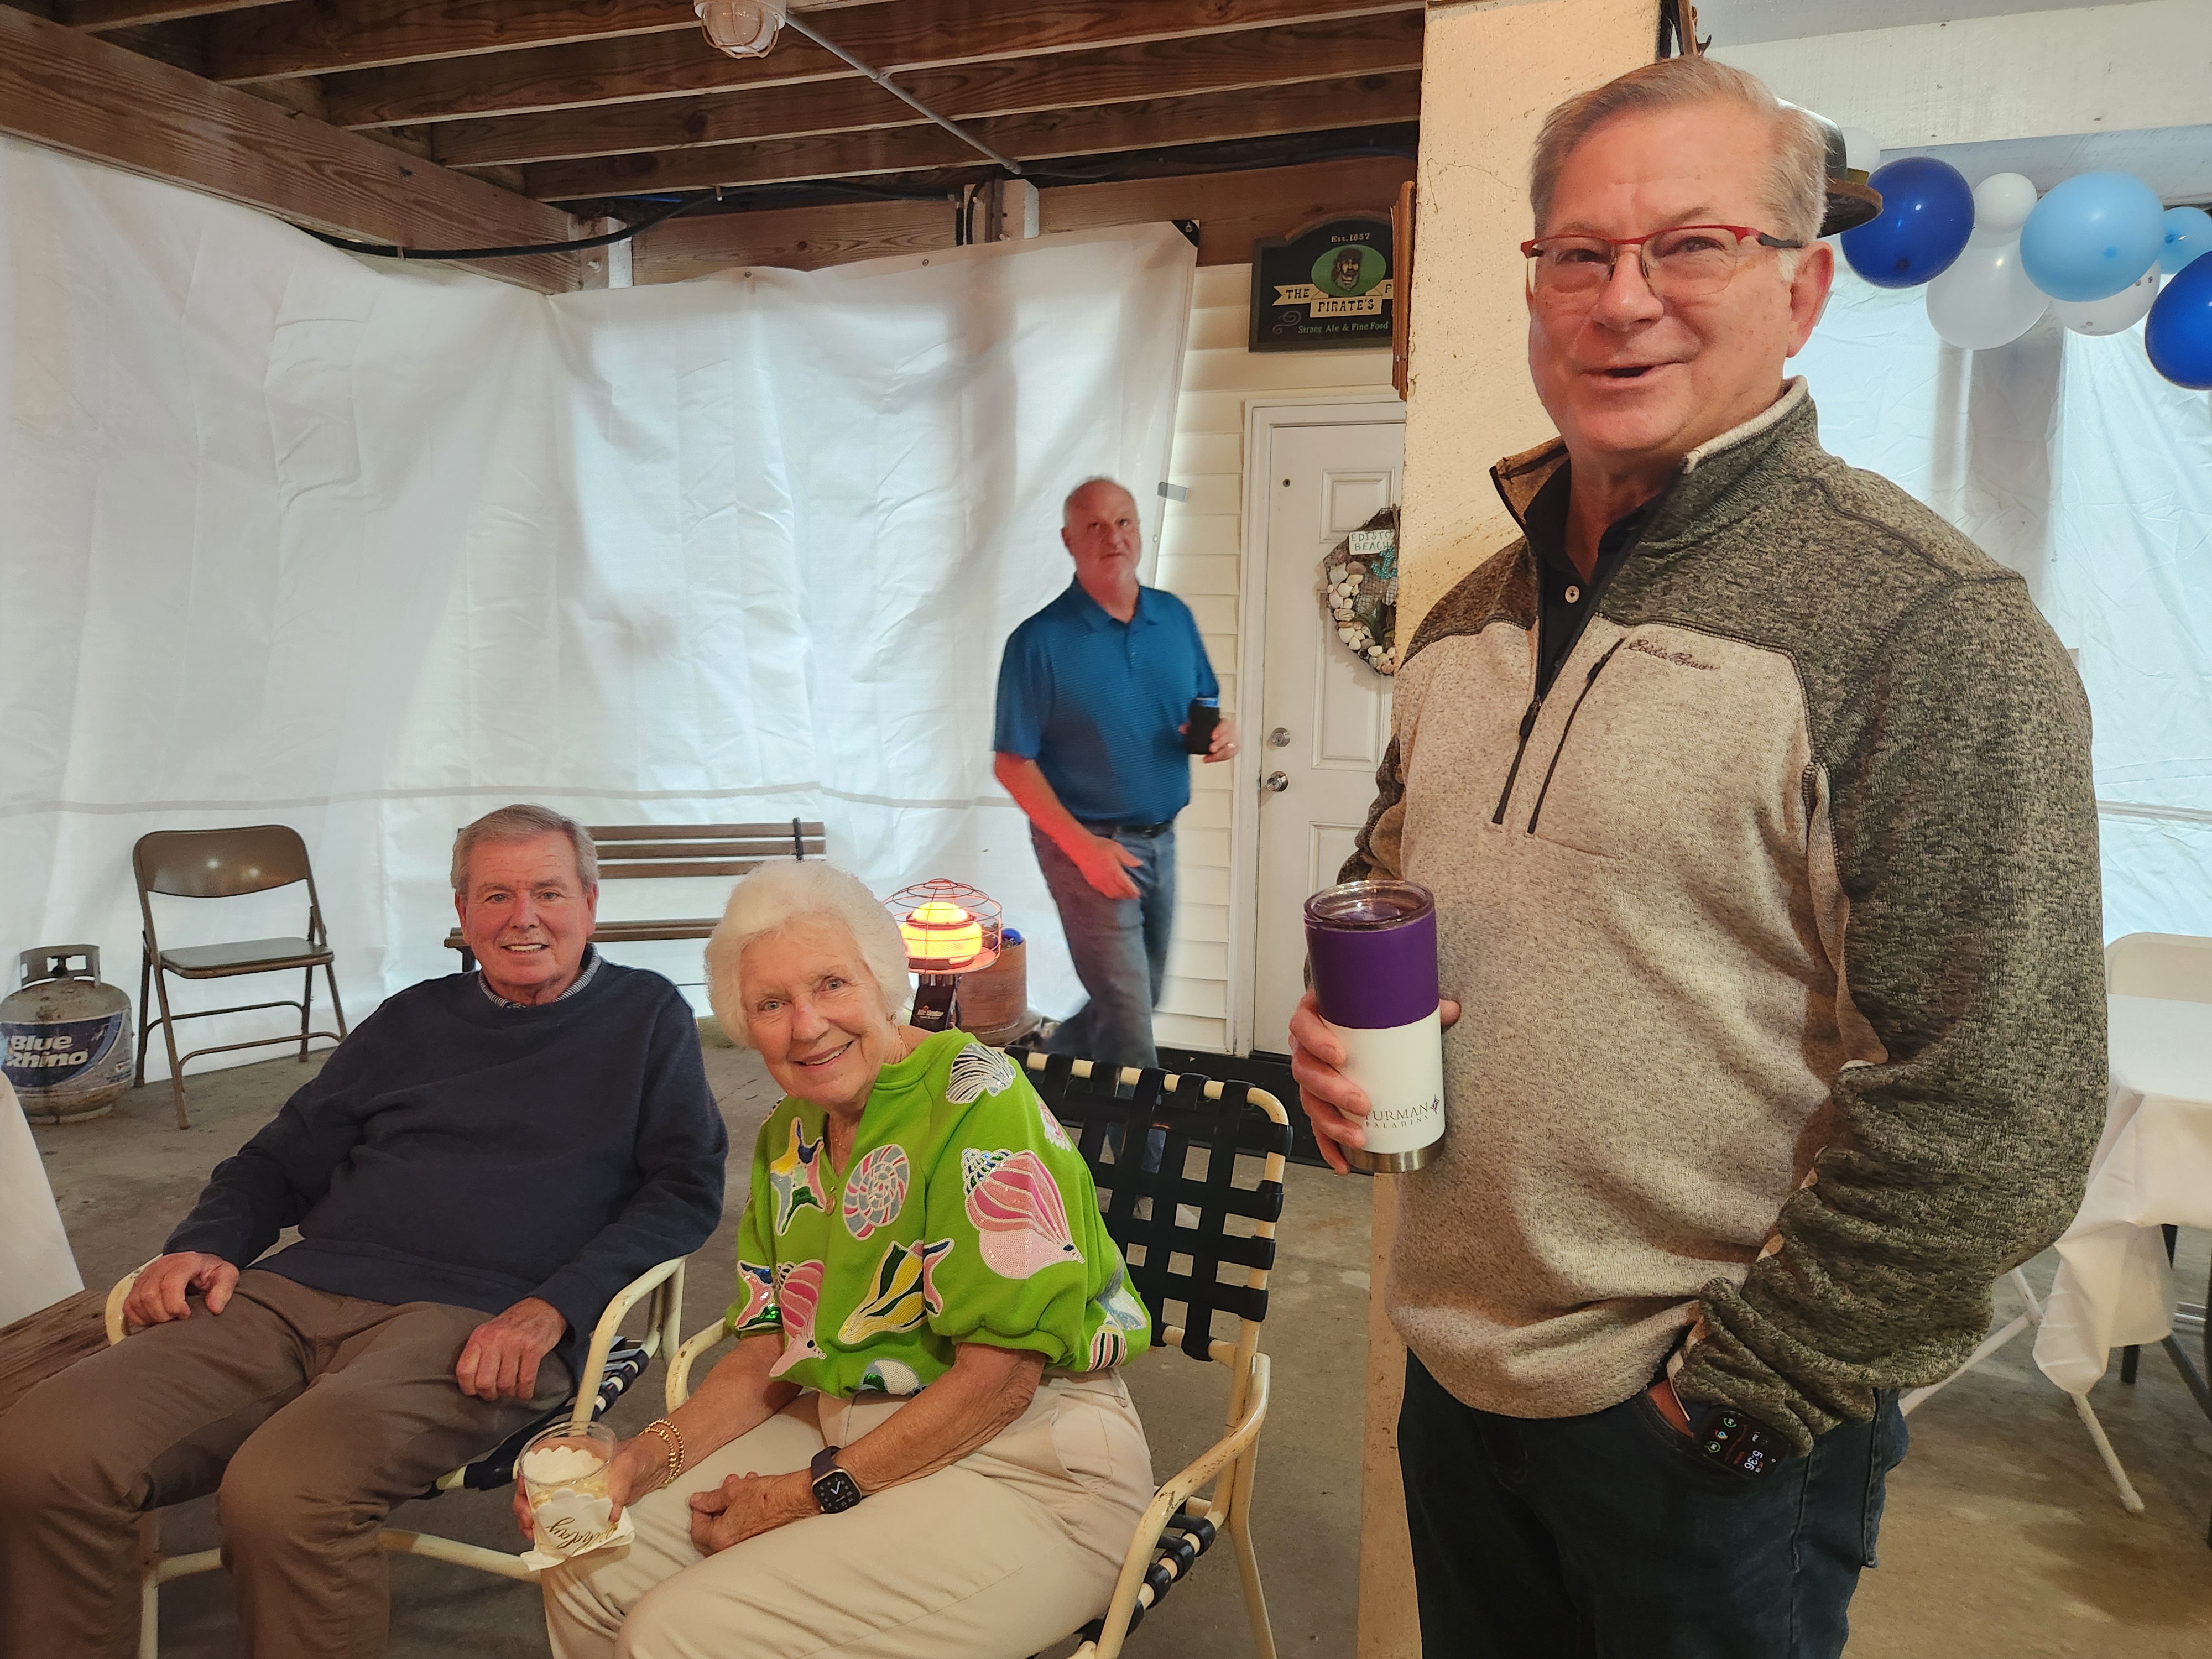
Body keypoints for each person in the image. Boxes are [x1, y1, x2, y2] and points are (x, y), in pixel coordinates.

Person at [1288, 55, 2106, 1658]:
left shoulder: (1923, 630)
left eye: (1692, 247)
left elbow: (2001, 1101)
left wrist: (1736, 1398)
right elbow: (1397, 894)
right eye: (1580, 254)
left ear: (1801, 291)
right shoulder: (1462, 619)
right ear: (1534, 287)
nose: (1624, 300)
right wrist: (1335, 1041)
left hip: (1705, 1431)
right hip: (1456, 1376)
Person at [0, 804, 727, 1659]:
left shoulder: (645, 1016)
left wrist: (556, 1307)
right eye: (496, 895)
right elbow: (280, 1156)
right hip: (296, 1291)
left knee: (285, 1495)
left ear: (590, 904)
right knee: (42, 1452)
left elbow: (683, 1189)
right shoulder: (411, 1020)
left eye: (548, 892)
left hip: (482, 1321)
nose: (522, 917)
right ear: (462, 913)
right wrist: (207, 1243)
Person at [540, 858, 1154, 1659]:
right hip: (849, 1427)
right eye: (771, 1004)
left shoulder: (977, 1101)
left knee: (679, 1635)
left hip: (1030, 1464)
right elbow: (766, 1346)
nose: (806, 1027)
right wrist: (640, 1459)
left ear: (882, 980)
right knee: (586, 1563)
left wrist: (805, 1493)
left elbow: (999, 1380)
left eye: (830, 984)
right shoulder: (788, 1134)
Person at [993, 477, 1238, 1071]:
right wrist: (1084, 850)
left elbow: (1201, 703)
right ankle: (1142, 1132)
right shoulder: (1037, 642)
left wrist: (1218, 732)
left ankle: (1047, 1068)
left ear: (1140, 529)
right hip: (1084, 845)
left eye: (1124, 521)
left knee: (1140, 996)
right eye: (1095, 526)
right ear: (1068, 541)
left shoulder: (1172, 617)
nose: (1114, 537)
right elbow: (1012, 764)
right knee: (1130, 1020)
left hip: (1160, 839)